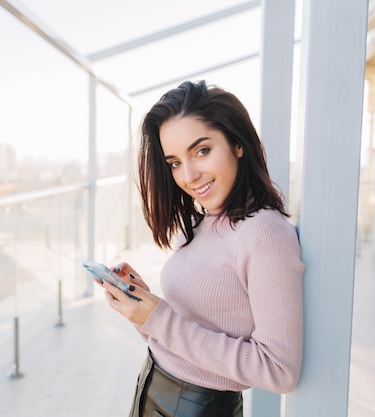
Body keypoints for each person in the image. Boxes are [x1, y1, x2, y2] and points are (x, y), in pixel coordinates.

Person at [95, 80, 304, 417]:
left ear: (237, 144)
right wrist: (143, 308)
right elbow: (185, 333)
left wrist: (159, 319)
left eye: (202, 151)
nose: (189, 175)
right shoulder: (202, 222)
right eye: (174, 162)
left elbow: (278, 370)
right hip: (152, 388)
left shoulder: (265, 233)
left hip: (199, 407)